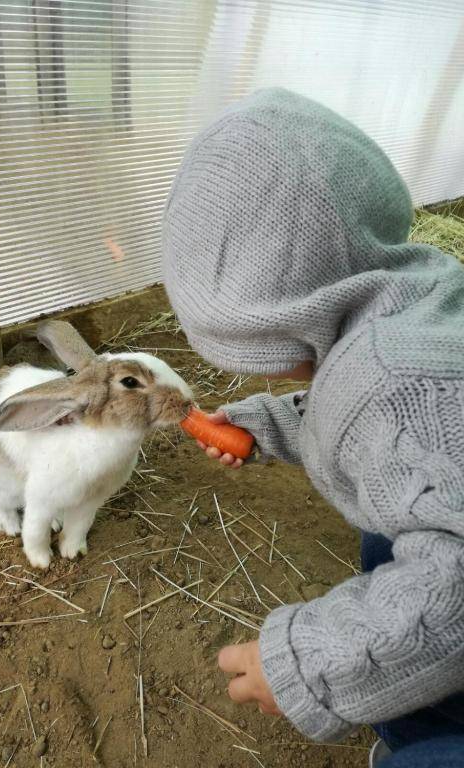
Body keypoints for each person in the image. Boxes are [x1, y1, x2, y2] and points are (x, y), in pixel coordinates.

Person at [162, 88, 464, 760]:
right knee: (392, 539)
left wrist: (312, 663)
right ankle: (424, 714)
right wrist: (269, 424)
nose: (267, 372)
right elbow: (375, 431)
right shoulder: (414, 303)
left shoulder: (388, 385)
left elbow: (458, 585)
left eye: (266, 351)